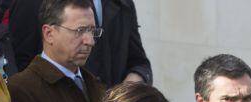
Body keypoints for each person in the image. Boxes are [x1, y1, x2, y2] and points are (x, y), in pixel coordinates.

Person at [8, 0, 152, 85]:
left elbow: (139, 62)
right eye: (79, 30)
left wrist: (128, 88)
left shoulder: (122, 3)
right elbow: (20, 62)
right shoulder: (30, 3)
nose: (90, 42)